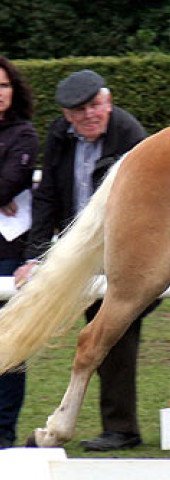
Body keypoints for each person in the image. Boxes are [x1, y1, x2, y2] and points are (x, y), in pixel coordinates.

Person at [13, 69, 160, 451]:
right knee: (101, 330)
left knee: (113, 330)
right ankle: (115, 425)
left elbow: (145, 208)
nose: (89, 115)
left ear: (108, 102)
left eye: (95, 105)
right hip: (80, 247)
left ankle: (122, 427)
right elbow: (47, 197)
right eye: (79, 111)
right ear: (66, 115)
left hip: (127, 248)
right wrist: (35, 256)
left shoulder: (131, 136)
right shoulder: (60, 136)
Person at [0, 56, 39, 448]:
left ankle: (3, 430)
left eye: (4, 85)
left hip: (9, 252)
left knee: (8, 345)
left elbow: (8, 186)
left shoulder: (24, 135)